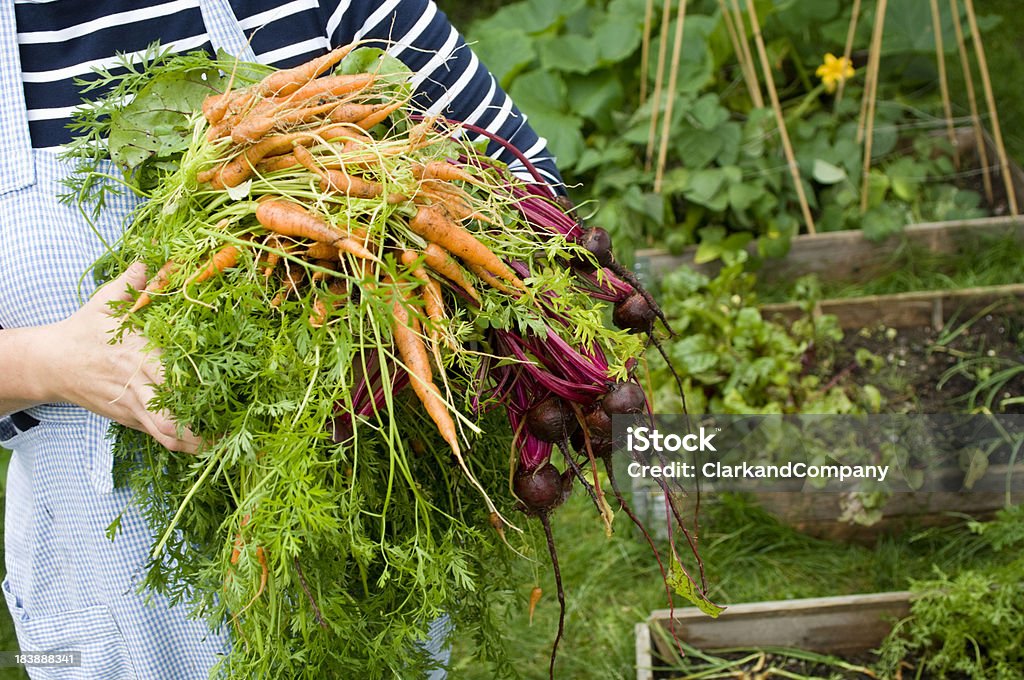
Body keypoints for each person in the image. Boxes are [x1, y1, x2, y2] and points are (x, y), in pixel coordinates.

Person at [0, 1, 561, 677]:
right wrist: (47, 364)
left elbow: (531, 198)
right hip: (100, 579)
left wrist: (360, 288)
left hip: (349, 535)